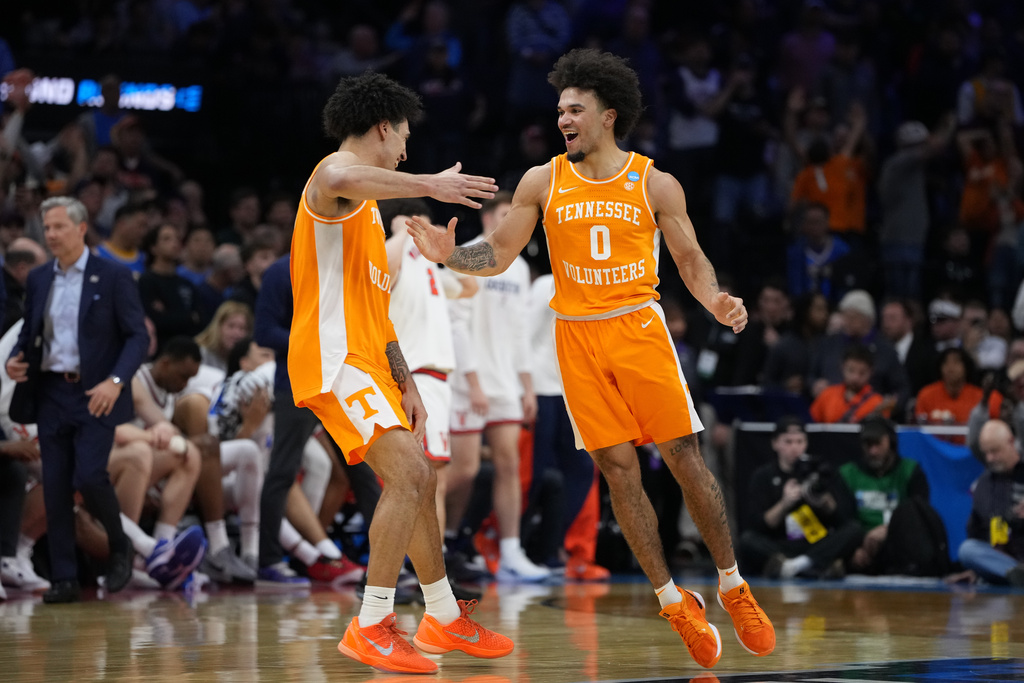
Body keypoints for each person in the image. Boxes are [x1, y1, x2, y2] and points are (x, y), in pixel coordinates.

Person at [410, 48, 774, 670]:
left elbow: (688, 257)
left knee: (684, 456)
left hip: (638, 327)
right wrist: (451, 256)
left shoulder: (654, 181)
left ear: (609, 115)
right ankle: (672, 600)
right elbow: (496, 254)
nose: (563, 119)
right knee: (615, 470)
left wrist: (715, 299)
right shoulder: (541, 180)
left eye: (575, 109)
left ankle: (733, 583)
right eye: (559, 110)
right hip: (576, 337)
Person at [288, 71, 512, 674]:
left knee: (424, 480)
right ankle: (372, 624)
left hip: (371, 361)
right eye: (404, 138)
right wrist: (430, 184)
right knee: (410, 473)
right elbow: (342, 173)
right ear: (383, 129)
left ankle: (440, 614)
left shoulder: (363, 217)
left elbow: (377, 313)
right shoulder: (332, 180)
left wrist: (406, 383)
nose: (407, 151)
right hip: (333, 361)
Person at [6, 196, 149, 603]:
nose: (50, 235)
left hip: (96, 392)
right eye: (46, 228)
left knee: (89, 475)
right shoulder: (37, 279)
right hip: (50, 390)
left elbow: (138, 337)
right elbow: (29, 333)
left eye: (58, 227)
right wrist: (17, 361)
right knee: (54, 485)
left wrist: (115, 381)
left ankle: (118, 544)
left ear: (81, 228)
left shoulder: (115, 275)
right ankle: (65, 579)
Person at [445, 192, 547, 582]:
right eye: (506, 215)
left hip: (506, 380)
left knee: (509, 464)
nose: (513, 223)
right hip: (466, 378)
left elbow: (521, 331)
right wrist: (471, 381)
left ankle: (510, 552)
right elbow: (456, 323)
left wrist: (528, 386)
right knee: (464, 470)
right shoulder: (466, 255)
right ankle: (442, 541)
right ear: (488, 218)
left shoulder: (519, 268)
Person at [741, 416, 863, 579]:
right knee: (747, 540)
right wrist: (785, 503)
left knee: (854, 530)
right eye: (788, 442)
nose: (795, 448)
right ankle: (815, 566)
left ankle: (794, 567)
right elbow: (758, 525)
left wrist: (824, 502)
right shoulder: (763, 476)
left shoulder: (821, 471)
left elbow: (843, 518)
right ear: (775, 443)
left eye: (800, 442)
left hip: (816, 543)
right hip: (781, 545)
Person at [838, 416, 947, 576]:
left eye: (878, 444)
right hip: (861, 545)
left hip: (899, 544)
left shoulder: (910, 470)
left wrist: (888, 529)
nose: (873, 451)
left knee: (912, 510)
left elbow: (921, 518)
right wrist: (854, 550)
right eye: (868, 445)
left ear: (891, 442)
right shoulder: (847, 473)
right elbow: (843, 519)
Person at [958, 419, 1024, 586]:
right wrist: (977, 568)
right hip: (1003, 558)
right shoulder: (984, 484)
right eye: (986, 453)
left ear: (1011, 442)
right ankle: (1013, 573)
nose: (990, 458)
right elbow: (975, 531)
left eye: (995, 451)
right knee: (967, 550)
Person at [810, 344, 886, 423]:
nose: (855, 377)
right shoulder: (828, 394)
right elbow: (812, 422)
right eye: (851, 370)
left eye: (862, 373)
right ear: (842, 367)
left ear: (871, 372)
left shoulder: (877, 402)